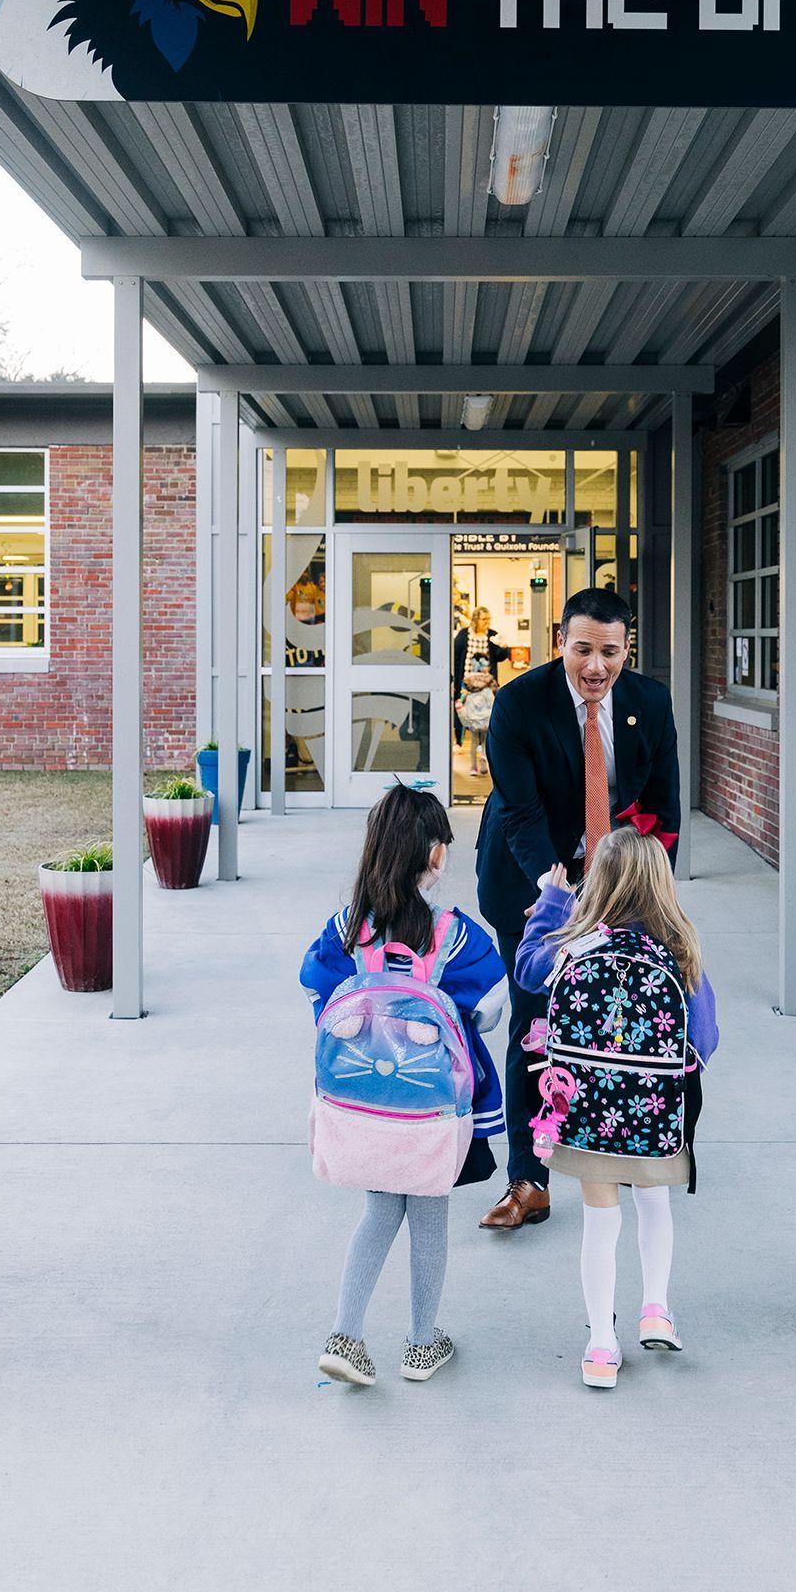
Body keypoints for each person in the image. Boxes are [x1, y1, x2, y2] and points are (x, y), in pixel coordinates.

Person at [474, 587, 681, 1231]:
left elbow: (664, 806)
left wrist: (647, 893)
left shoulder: (649, 701)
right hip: (532, 880)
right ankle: (528, 1179)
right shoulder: (518, 704)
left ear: (628, 648)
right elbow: (520, 811)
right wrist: (555, 888)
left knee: (621, 1022)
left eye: (610, 652)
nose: (596, 666)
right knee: (535, 1022)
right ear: (560, 641)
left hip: (619, 884)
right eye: (582, 649)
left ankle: (613, 1147)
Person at [301, 785, 506, 1387]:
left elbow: (315, 989)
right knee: (429, 1217)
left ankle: (347, 1333)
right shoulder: (453, 934)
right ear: (434, 855)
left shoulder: (346, 928)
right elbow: (492, 1006)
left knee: (378, 1210)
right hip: (431, 1107)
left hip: (363, 1101)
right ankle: (421, 1345)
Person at [515, 826, 716, 1387]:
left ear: (595, 882)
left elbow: (527, 969)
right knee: (654, 1205)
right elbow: (705, 1037)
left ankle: (601, 1345)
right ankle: (655, 1307)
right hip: (655, 1112)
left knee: (600, 1223)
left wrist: (553, 902)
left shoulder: (574, 944)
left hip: (582, 1108)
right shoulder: (679, 949)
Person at [453, 604, 513, 777]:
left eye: (489, 619)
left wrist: (504, 647)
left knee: (487, 717)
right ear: (476, 619)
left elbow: (501, 657)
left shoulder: (492, 635)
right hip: (467, 684)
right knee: (467, 715)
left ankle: (484, 756)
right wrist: (456, 683)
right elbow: (456, 658)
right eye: (484, 619)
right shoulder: (464, 635)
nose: (487, 622)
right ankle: (460, 741)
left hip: (486, 684)